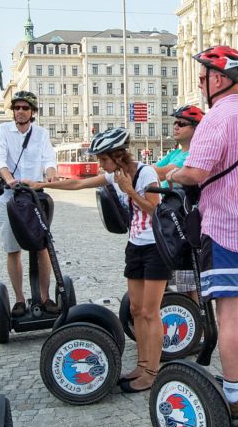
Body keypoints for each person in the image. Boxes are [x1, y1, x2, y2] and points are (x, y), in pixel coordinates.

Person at [166, 47, 238, 419]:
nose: (200, 83)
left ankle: (233, 396)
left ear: (219, 78)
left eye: (202, 77)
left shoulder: (215, 119)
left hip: (225, 227)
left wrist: (172, 174)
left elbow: (196, 173)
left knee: (229, 314)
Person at [40, 127, 164, 393]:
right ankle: (142, 364)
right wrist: (41, 184)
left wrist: (130, 191)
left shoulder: (146, 173)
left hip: (156, 248)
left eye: (103, 159)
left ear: (117, 155)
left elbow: (155, 210)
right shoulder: (113, 174)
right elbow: (78, 183)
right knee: (135, 310)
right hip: (135, 247)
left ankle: (153, 372)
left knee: (151, 313)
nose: (100, 164)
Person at [0, 90, 59, 318]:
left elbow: (49, 159)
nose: (20, 112)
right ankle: (20, 299)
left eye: (25, 108)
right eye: (17, 108)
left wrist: (51, 175)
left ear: (32, 112)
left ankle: (46, 296)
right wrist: (9, 180)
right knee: (13, 249)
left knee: (42, 247)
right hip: (10, 199)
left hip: (35, 198)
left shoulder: (40, 133)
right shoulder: (2, 131)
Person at [154, 104, 204, 297]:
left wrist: (134, 169)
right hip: (169, 220)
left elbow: (160, 173)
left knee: (187, 284)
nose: (175, 127)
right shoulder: (175, 153)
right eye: (175, 123)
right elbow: (154, 170)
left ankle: (196, 324)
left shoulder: (193, 154)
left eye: (181, 124)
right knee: (174, 283)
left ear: (196, 129)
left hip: (183, 223)